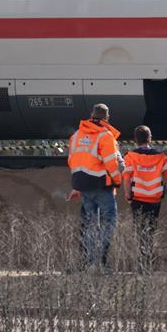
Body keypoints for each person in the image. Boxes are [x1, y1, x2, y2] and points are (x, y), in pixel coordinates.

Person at [68, 103, 123, 271]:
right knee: (108, 223)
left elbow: (72, 160)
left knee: (91, 225)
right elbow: (111, 164)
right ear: (107, 117)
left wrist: (77, 186)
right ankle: (100, 263)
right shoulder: (105, 135)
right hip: (101, 185)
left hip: (83, 186)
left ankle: (91, 263)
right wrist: (117, 180)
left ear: (91, 115)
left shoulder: (76, 135)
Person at [121, 125, 167, 274]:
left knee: (140, 231)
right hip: (154, 200)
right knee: (150, 231)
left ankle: (142, 265)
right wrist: (162, 193)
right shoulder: (162, 157)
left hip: (137, 199)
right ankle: (148, 263)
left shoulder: (130, 157)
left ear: (135, 140)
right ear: (149, 138)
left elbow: (126, 178)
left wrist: (128, 195)